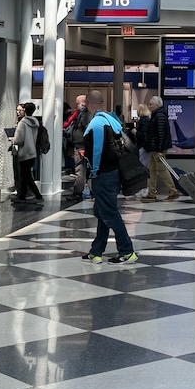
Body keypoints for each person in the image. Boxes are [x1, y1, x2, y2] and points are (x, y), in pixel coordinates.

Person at [80, 90, 136, 264]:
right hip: (114, 171)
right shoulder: (111, 119)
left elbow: (96, 150)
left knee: (109, 213)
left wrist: (94, 172)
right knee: (102, 211)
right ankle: (96, 250)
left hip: (103, 174)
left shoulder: (96, 123)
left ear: (88, 102)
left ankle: (127, 251)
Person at [141, 95, 180, 201]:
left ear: (157, 105)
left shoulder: (159, 116)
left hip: (158, 149)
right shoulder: (157, 115)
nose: (149, 106)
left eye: (151, 104)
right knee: (152, 170)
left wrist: (159, 150)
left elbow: (161, 134)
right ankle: (152, 192)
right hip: (154, 148)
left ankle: (173, 191)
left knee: (162, 170)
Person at [10, 102, 43, 207]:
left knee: (26, 176)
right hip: (32, 151)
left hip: (24, 152)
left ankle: (38, 196)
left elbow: (19, 140)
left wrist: (12, 139)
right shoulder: (35, 122)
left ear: (25, 111)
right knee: (25, 175)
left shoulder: (22, 123)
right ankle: (22, 196)